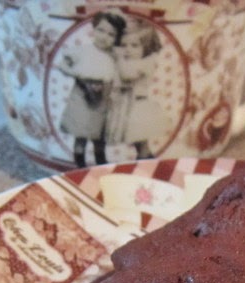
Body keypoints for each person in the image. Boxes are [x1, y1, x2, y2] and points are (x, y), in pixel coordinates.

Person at [57, 11, 126, 167]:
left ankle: (101, 161)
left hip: (103, 97)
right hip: (82, 95)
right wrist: (79, 75)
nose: (104, 37)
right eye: (101, 30)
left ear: (116, 38)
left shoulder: (113, 56)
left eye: (111, 34)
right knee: (81, 133)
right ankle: (79, 163)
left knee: (99, 135)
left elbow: (117, 76)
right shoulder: (83, 51)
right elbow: (63, 64)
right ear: (93, 30)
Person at [106, 22, 170, 160]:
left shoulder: (145, 64)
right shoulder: (131, 63)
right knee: (138, 141)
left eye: (134, 45)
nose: (127, 50)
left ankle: (145, 163)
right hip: (127, 106)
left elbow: (126, 75)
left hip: (138, 107)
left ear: (146, 47)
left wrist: (119, 58)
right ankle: (145, 160)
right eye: (124, 45)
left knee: (141, 141)